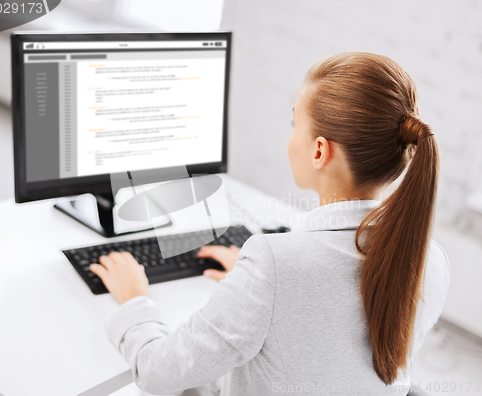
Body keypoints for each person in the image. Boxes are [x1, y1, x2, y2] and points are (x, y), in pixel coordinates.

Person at [89, 52, 450, 396]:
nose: (290, 137)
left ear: (319, 151)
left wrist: (134, 298)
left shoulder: (275, 264)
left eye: (296, 124)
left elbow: (157, 374)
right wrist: (256, 285)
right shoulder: (428, 260)